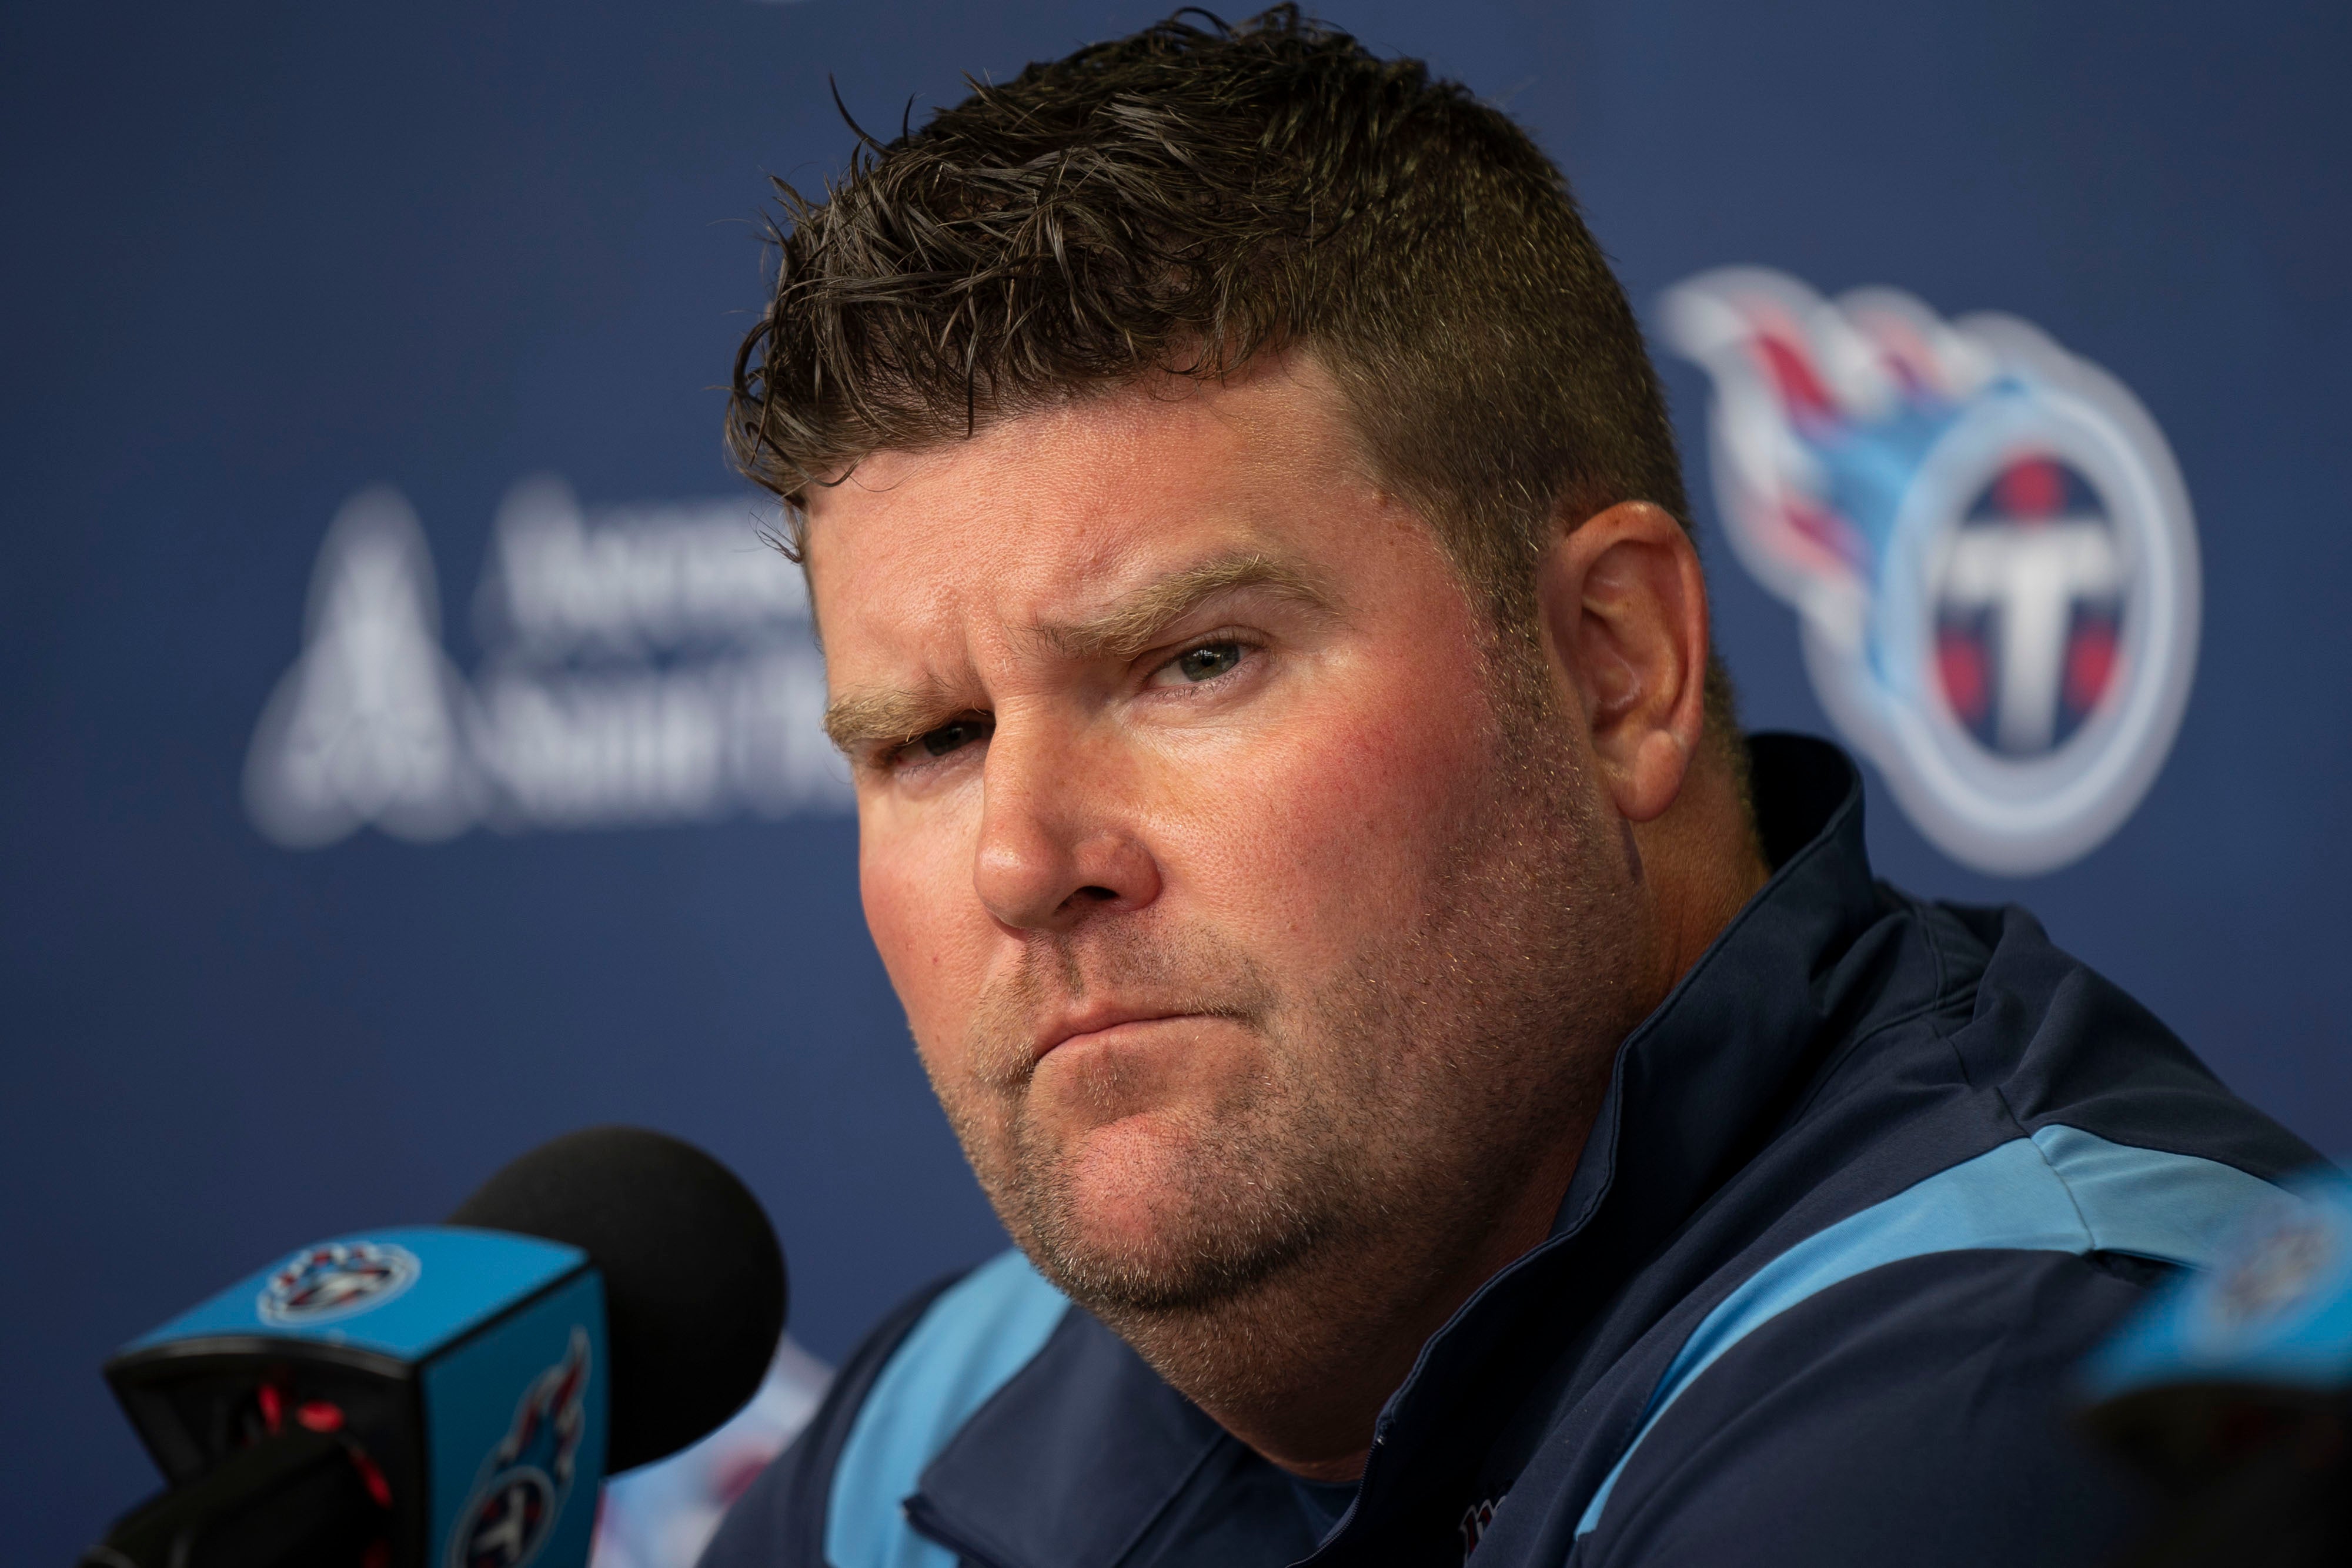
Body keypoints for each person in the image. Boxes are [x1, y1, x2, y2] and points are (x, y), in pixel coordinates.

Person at [699, 10, 2317, 1565]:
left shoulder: (2023, 1361)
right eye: (932, 739)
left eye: (1196, 662)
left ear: (1616, 666)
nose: (1025, 858)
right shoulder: (919, 1430)